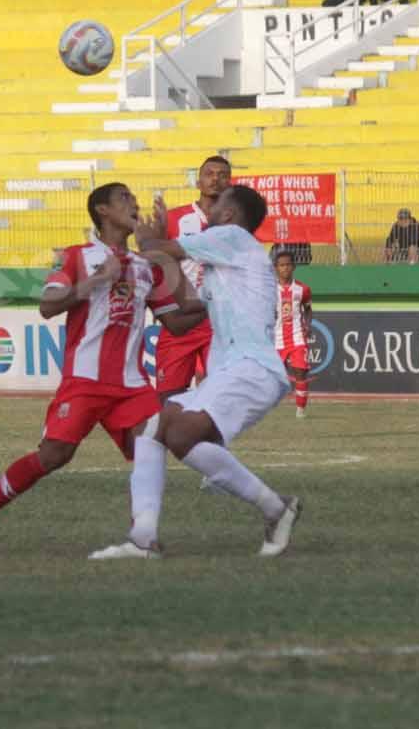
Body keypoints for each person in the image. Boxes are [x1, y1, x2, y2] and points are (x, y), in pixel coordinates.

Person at [0, 183, 205, 557]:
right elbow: (49, 306)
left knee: (150, 450)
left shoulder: (146, 266)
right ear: (102, 211)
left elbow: (180, 320)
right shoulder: (76, 256)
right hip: (85, 380)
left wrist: (169, 256)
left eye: (134, 199)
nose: (135, 204)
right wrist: (101, 278)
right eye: (125, 199)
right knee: (54, 455)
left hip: (132, 385)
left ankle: (143, 539)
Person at [92, 185, 301, 560]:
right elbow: (184, 296)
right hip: (233, 370)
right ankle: (143, 539)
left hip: (252, 368)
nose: (210, 207)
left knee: (181, 433)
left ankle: (275, 508)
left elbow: (157, 252)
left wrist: (146, 234)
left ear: (229, 215)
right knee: (151, 430)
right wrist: (158, 248)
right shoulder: (223, 262)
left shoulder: (233, 237)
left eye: (217, 204)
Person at [155, 155, 232, 399]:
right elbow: (157, 261)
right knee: (168, 397)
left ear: (229, 182)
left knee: (218, 396)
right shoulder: (175, 218)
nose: (215, 179)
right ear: (198, 181)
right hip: (182, 319)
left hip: (219, 321)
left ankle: (209, 438)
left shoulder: (237, 224)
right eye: (209, 174)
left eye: (222, 175)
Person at [273, 249, 313, 419]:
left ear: (294, 266)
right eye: (282, 265)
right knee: (276, 377)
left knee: (300, 372)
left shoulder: (302, 289)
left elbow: (308, 308)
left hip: (297, 336)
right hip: (277, 338)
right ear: (276, 268)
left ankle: (300, 410)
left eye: (288, 265)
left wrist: (308, 324)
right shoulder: (269, 289)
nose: (285, 268)